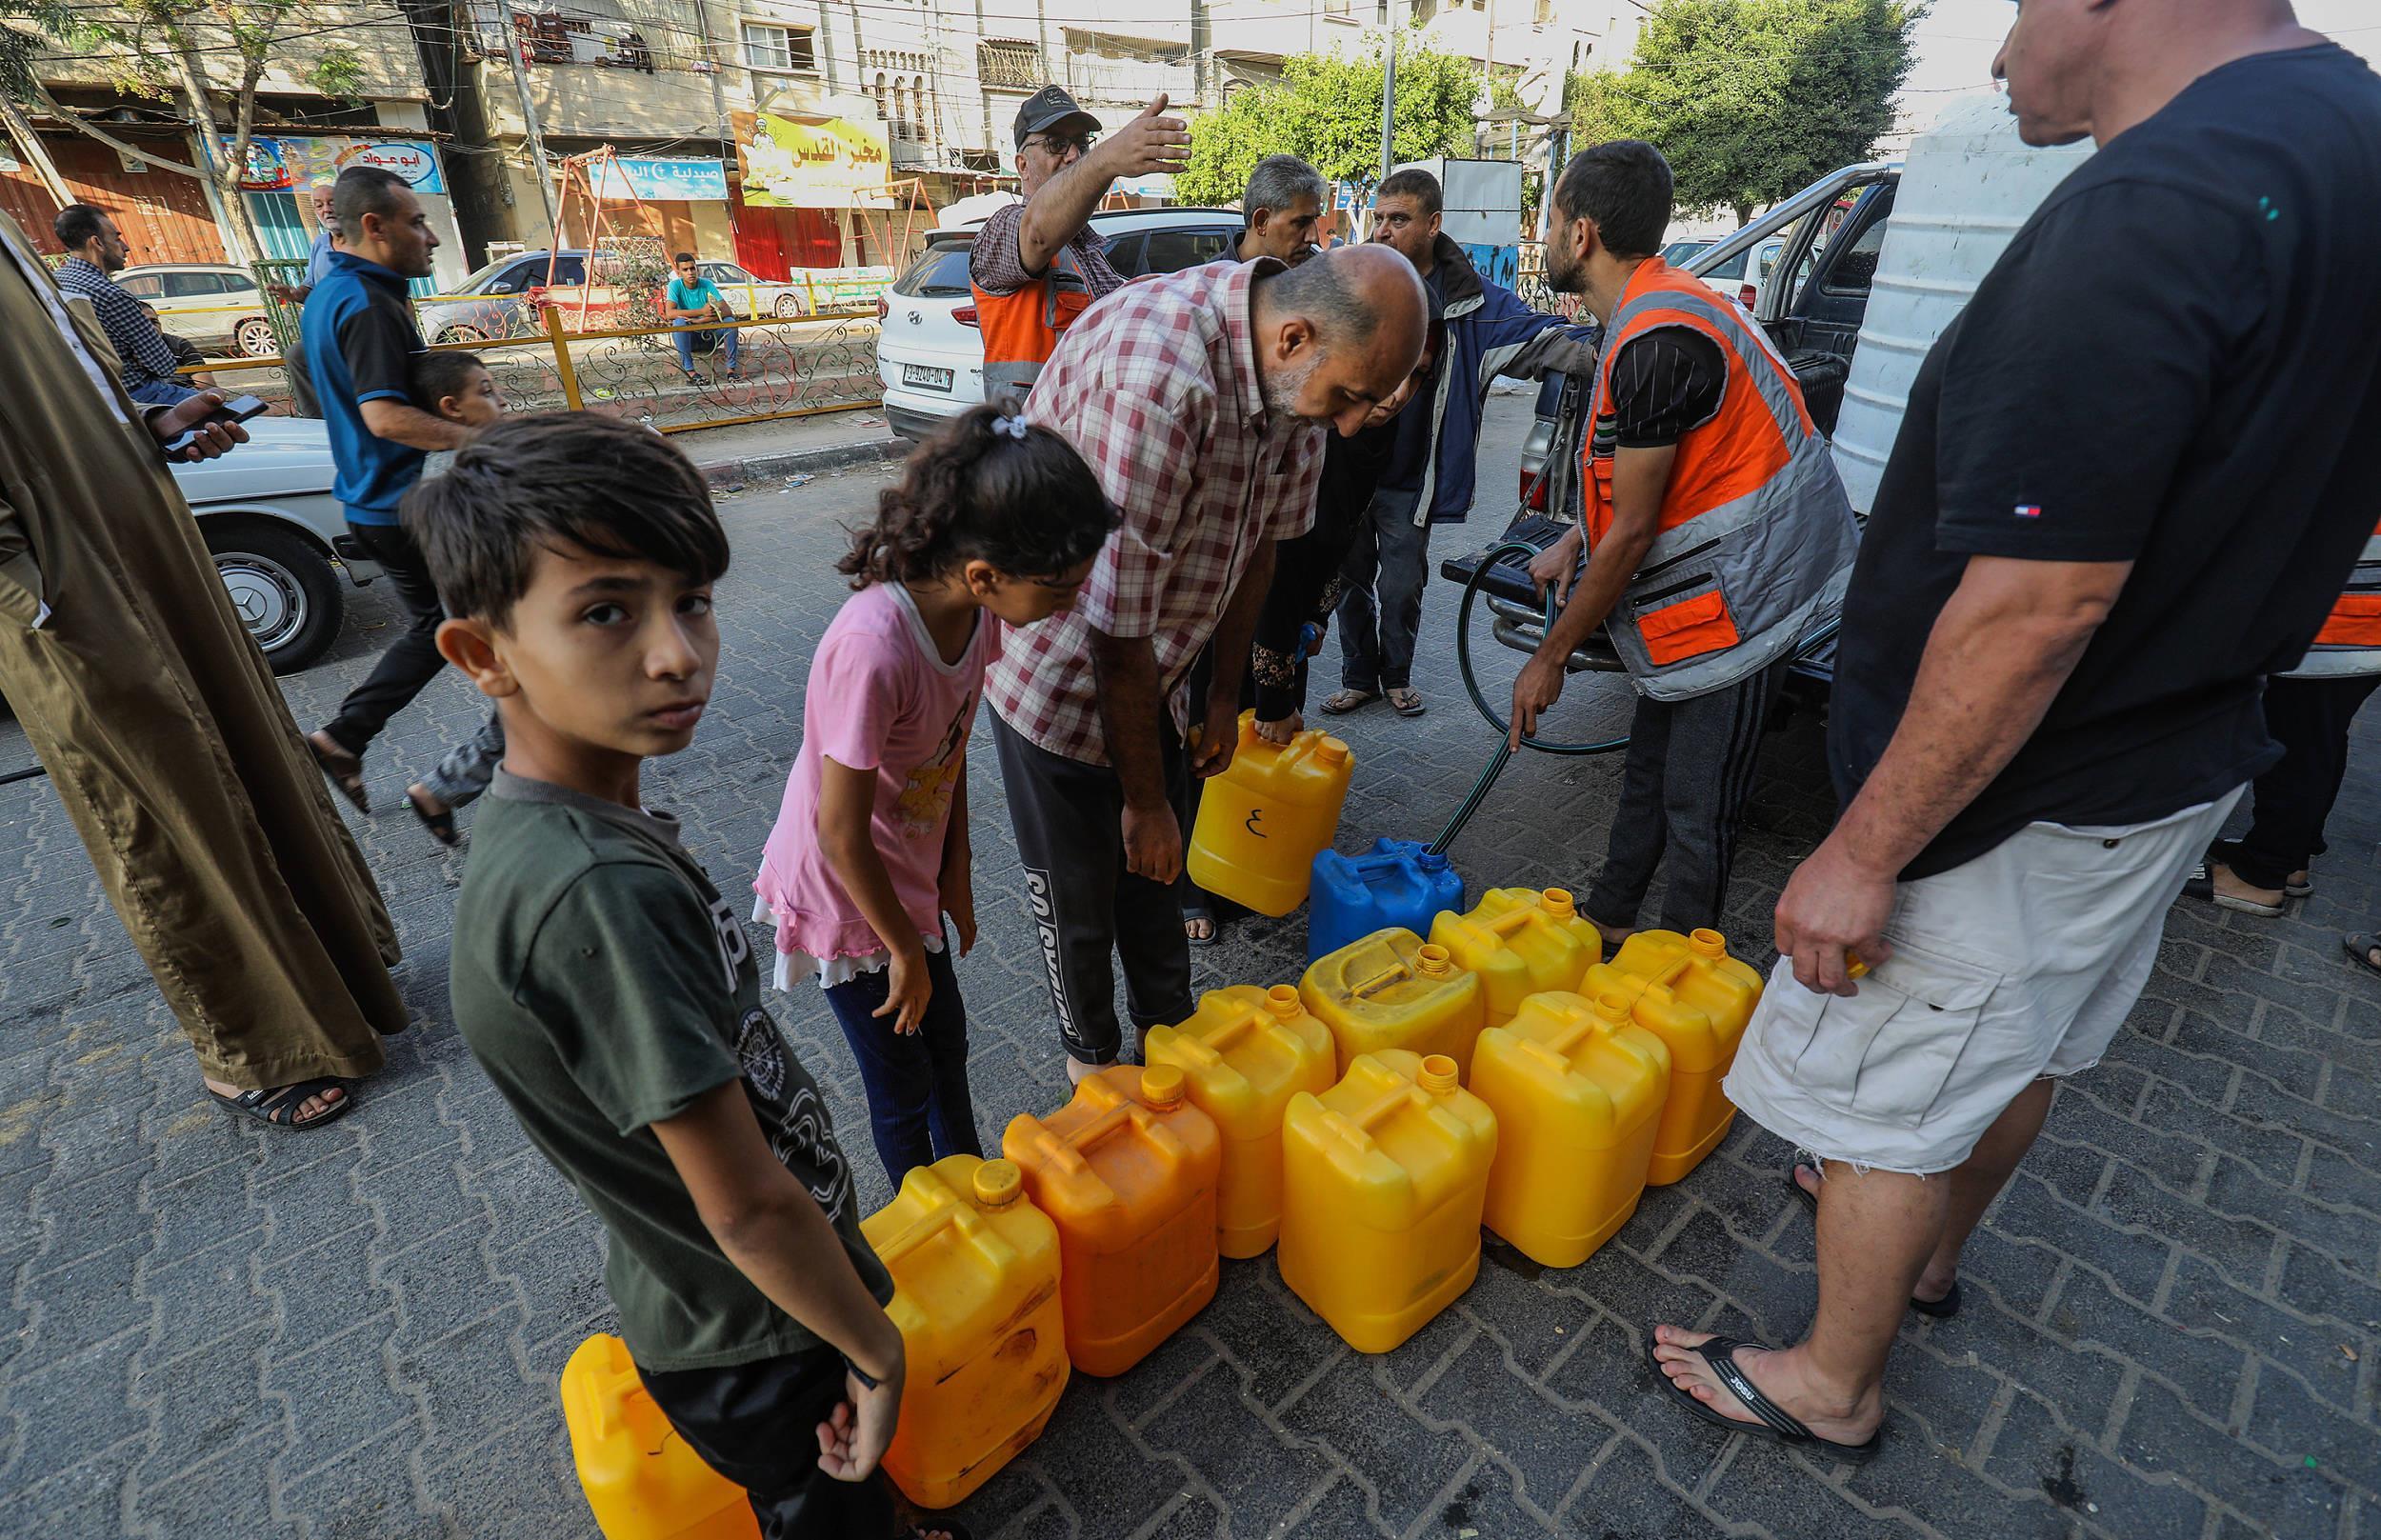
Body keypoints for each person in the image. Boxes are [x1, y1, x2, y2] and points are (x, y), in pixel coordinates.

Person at [1651, 6, 2381, 1463]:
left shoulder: (2156, 204)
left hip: (2017, 790)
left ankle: (1830, 1378)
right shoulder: (2350, 131)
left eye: (2019, 8)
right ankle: (1917, 1257)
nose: (1998, 57)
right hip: (2169, 757)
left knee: (1881, 1097)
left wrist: (1862, 847)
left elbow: (2035, 609)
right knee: (2013, 1043)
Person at [418, 413, 956, 1540]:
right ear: (483, 655)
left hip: (735, 1299)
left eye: (692, 601)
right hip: (757, 1330)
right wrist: (874, 1344)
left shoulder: (578, 825)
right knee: (826, 1507)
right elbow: (749, 1208)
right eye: (606, 611)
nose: (677, 654)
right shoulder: (594, 895)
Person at [0, 210, 408, 1130]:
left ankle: (331, 981)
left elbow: (57, 388)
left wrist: (153, 417)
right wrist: (42, 592)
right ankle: (252, 1045)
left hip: (138, 527)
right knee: (162, 802)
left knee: (239, 751)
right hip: (64, 579)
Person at [986, 244, 1428, 1082]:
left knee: (1154, 891)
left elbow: (1261, 545)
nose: (1345, 424)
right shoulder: (1162, 380)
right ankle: (1096, 1089)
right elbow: (1114, 630)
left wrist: (1225, 695)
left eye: (1363, 407)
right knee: (1082, 917)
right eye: (1347, 398)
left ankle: (1176, 1075)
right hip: (1059, 680)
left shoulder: (1294, 387)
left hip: (1158, 673)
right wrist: (1145, 800)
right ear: (1294, 338)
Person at [754, 405, 1114, 1184]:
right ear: (985, 574)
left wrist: (957, 872)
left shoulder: (976, 618)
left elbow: (946, 756)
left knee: (948, 1050)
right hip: (850, 897)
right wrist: (900, 949)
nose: (1072, 604)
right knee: (901, 1090)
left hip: (905, 881)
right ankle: (929, 1223)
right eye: (1059, 588)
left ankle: (973, 1195)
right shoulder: (872, 647)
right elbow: (838, 830)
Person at [1515, 141, 1858, 944]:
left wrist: (1550, 654)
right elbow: (1645, 482)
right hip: (1708, 601)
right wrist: (1575, 536)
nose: (1545, 230)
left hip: (1753, 602)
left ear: (1582, 234)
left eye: (1552, 215)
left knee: (1699, 806)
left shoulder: (1658, 340)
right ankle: (1608, 923)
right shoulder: (1650, 311)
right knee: (1650, 777)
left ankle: (1682, 971)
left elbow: (1635, 528)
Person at [1326, 167, 1595, 720]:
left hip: (1410, 483)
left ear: (1433, 224)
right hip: (1345, 474)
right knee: (1349, 584)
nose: (1383, 231)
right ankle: (1359, 678)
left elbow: (1547, 340)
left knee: (1401, 587)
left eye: (1398, 220)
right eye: (1379, 219)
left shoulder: (1473, 306)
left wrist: (1627, 341)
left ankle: (1396, 677)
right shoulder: (1353, 283)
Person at [300, 165, 473, 812]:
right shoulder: (369, 304)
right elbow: (384, 417)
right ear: (373, 226)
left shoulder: (332, 292)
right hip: (403, 503)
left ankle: (346, 737)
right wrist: (489, 441)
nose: (430, 237)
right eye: (417, 222)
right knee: (503, 624)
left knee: (447, 624)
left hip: (372, 499)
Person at [1247, 320, 1445, 747]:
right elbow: (1275, 564)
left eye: (1416, 375)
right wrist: (1272, 701)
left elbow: (1335, 536)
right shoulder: (1303, 422)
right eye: (1389, 370)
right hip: (1244, 623)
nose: (1397, 396)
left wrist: (1315, 616)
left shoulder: (1374, 433)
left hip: (1288, 620)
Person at [2187, 514, 2381, 914]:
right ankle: (2288, 856)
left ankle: (2260, 876)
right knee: (2319, 740)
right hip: (2358, 620)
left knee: (2293, 747)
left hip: (2336, 621)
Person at [968, 84, 1189, 398]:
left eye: (1081, 145)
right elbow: (1037, 234)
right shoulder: (1002, 229)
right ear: (1022, 165)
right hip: (1031, 442)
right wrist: (1107, 158)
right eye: (1056, 144)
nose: (1073, 156)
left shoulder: (1090, 252)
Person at [401, 350, 510, 847]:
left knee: (524, 712)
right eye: (486, 392)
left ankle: (441, 791)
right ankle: (439, 790)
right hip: (495, 614)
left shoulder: (467, 458)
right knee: (534, 710)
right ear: (451, 408)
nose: (500, 399)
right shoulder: (457, 469)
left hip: (499, 612)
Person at [50, 203, 200, 407]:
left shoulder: (55, 282)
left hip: (84, 395)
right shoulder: (112, 295)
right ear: (97, 243)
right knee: (224, 408)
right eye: (117, 238)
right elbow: (164, 365)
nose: (126, 246)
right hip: (135, 393)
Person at [274, 180, 340, 418]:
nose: (326, 210)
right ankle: (316, 420)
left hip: (362, 328)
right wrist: (293, 294)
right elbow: (309, 286)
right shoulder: (320, 244)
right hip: (330, 332)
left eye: (332, 202)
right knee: (297, 354)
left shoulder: (365, 241)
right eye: (319, 205)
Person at [662, 252, 741, 383]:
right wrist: (701, 311)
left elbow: (727, 311)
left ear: (696, 269)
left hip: (711, 336)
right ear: (679, 272)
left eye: (692, 268)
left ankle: (731, 371)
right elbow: (670, 313)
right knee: (679, 323)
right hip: (690, 338)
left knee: (730, 323)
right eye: (685, 270)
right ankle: (691, 372)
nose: (690, 273)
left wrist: (701, 320)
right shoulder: (675, 286)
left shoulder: (706, 284)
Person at [1234, 155, 1327, 266]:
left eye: (1315, 219)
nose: (1313, 237)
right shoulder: (1212, 281)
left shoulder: (1314, 273)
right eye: (1301, 222)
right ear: (1262, 221)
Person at [137, 301, 216, 389]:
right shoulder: (123, 352)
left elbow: (207, 384)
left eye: (154, 322)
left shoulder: (179, 344)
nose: (152, 327)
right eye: (143, 323)